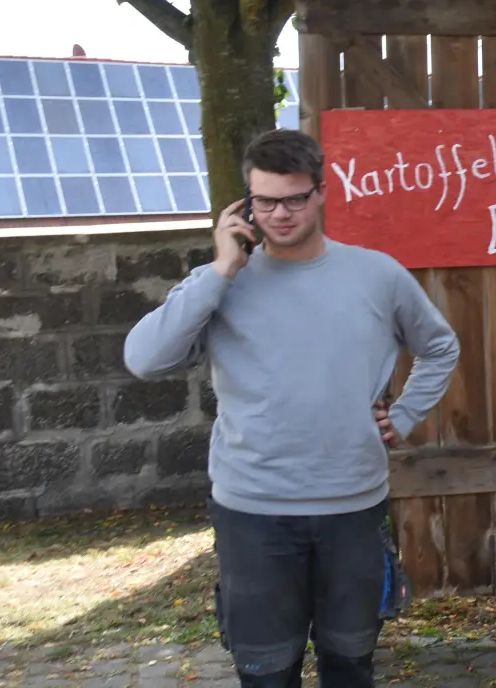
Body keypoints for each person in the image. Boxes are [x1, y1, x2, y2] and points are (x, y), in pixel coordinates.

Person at [124, 129, 460, 688]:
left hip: (352, 507)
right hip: (254, 512)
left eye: (295, 198)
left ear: (321, 193)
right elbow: (144, 359)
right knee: (265, 672)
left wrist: (402, 415)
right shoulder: (219, 284)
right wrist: (222, 269)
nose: (280, 213)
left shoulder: (376, 275)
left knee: (350, 666)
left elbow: (440, 347)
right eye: (265, 201)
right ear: (245, 204)